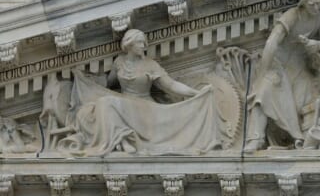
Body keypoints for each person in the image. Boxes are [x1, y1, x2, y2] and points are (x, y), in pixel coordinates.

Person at [57, 29, 226, 156]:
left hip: (145, 107)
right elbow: (109, 84)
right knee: (105, 102)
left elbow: (171, 85)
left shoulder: (150, 65)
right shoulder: (119, 62)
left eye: (144, 42)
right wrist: (87, 81)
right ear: (129, 45)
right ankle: (122, 139)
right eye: (140, 42)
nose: (144, 46)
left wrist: (196, 93)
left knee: (109, 103)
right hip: (124, 102)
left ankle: (127, 139)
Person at [244, 0, 320, 152]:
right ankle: (255, 139)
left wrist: (317, 44)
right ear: (304, 4)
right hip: (278, 64)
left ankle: (302, 140)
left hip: (299, 67)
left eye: (318, 3)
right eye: (312, 4)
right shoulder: (293, 15)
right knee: (263, 92)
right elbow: (272, 43)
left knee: (309, 102)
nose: (316, 7)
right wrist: (263, 74)